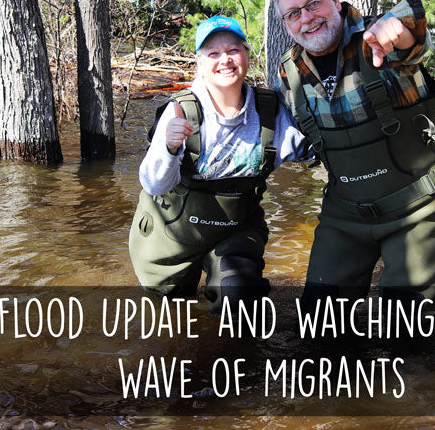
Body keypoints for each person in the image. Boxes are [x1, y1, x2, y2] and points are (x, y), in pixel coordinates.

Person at [272, 0, 435, 305]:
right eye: (294, 13)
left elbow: (412, 36)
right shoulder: (289, 71)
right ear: (285, 24)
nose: (307, 18)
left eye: (314, 3)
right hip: (345, 212)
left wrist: (399, 29)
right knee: (319, 325)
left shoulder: (376, 37)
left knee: (406, 333)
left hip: (416, 205)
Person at [129, 16, 309, 312]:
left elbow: (309, 150)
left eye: (233, 50)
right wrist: (169, 146)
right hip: (172, 231)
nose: (225, 60)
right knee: (168, 311)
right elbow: (154, 184)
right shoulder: (179, 110)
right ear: (200, 63)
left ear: (247, 56)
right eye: (213, 53)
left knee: (240, 299)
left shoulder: (270, 110)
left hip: (235, 229)